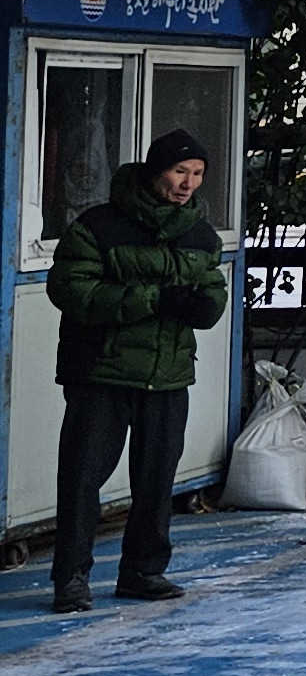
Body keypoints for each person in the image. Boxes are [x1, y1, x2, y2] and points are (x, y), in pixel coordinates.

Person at [43, 127, 228, 614]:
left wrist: (205, 306)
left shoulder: (200, 234)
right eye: (178, 171)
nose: (188, 183)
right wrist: (152, 298)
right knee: (83, 478)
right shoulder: (99, 226)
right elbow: (70, 290)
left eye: (197, 174)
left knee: (156, 479)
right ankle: (71, 580)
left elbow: (213, 289)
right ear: (154, 172)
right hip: (101, 373)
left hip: (167, 376)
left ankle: (144, 572)